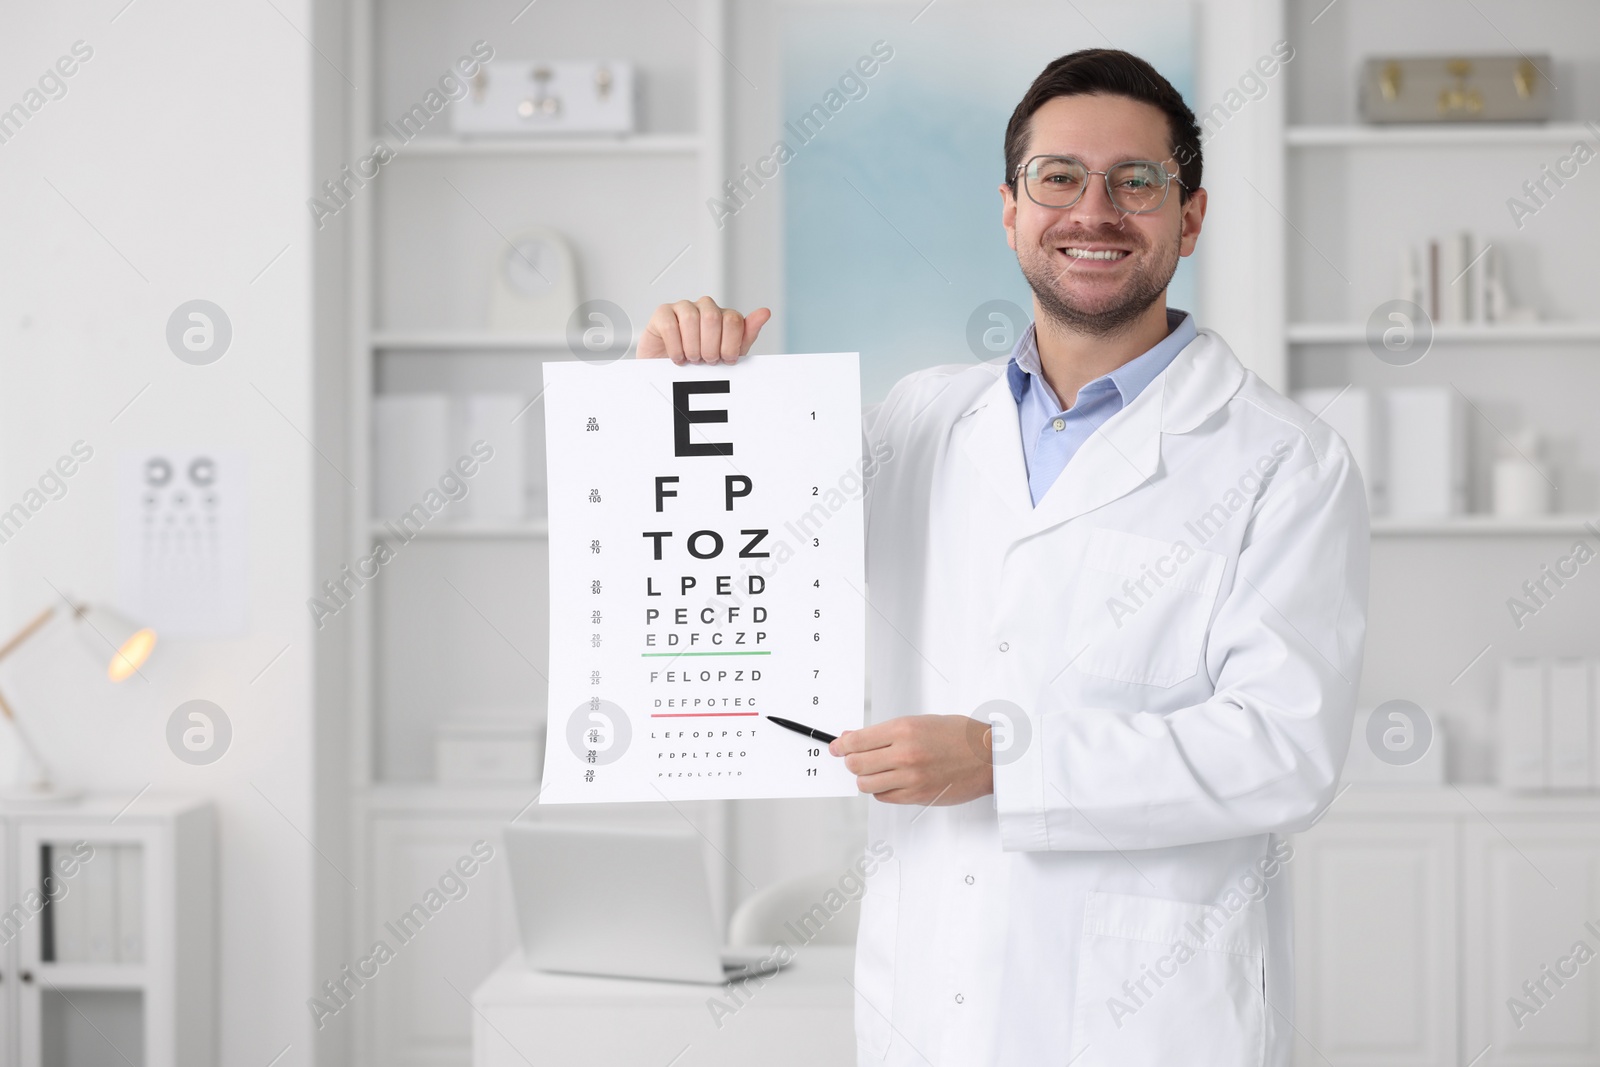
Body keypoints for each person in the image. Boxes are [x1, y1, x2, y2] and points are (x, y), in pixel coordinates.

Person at [640, 48, 1367, 1067]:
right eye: (1058, 178)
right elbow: (733, 554)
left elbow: (1281, 752)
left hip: (1149, 1017)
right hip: (923, 1005)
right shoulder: (917, 420)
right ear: (1011, 209)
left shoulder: (1282, 459)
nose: (1093, 211)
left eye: (1137, 182)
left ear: (1189, 216)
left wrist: (1000, 761)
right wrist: (685, 384)